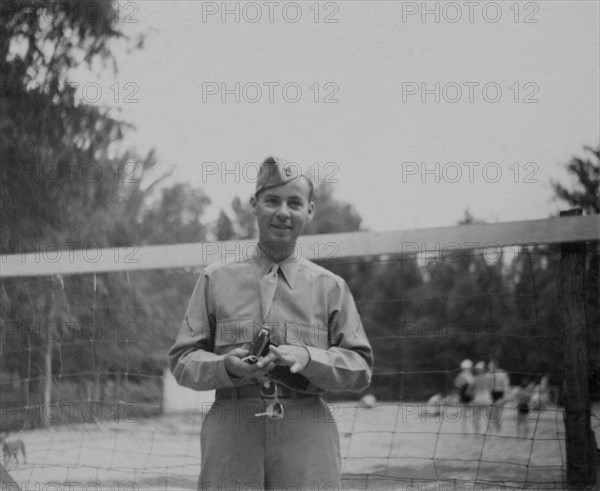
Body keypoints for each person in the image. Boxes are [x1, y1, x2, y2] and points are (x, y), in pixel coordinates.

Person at [169, 156, 373, 490]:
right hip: (232, 430)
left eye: (294, 202)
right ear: (254, 205)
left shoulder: (330, 287)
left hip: (307, 431)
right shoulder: (215, 280)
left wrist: (310, 358)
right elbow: (182, 360)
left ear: (309, 210)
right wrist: (227, 367)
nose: (283, 212)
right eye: (272, 200)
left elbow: (361, 368)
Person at [469, 361, 493, 434]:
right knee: (489, 418)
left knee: (476, 418)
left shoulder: (474, 379)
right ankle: (490, 433)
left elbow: (469, 390)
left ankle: (477, 433)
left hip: (478, 399)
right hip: (486, 398)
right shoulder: (488, 378)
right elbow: (491, 388)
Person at [488, 360, 510, 431]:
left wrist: (504, 397)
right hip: (492, 395)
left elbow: (506, 385)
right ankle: (496, 429)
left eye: (491, 365)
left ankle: (498, 429)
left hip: (500, 394)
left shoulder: (502, 373)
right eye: (489, 365)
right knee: (492, 414)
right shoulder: (489, 374)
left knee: (497, 413)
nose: (489, 367)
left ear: (495, 365)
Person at [453, 359, 474, 432]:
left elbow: (472, 384)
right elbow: (457, 383)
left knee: (469, 413)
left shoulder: (467, 375)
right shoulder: (463, 375)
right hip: (464, 395)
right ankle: (465, 430)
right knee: (465, 413)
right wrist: (463, 381)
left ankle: (468, 429)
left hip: (468, 395)